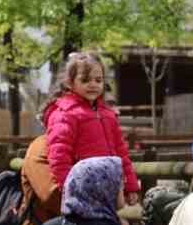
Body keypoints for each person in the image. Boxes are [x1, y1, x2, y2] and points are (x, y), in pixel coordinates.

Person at [43, 50, 142, 205]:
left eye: (98, 80)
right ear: (70, 82)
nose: (93, 85)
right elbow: (59, 157)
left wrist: (130, 186)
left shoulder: (108, 114)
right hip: (82, 192)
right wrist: (70, 190)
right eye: (85, 80)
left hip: (108, 190)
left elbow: (121, 153)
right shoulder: (65, 114)